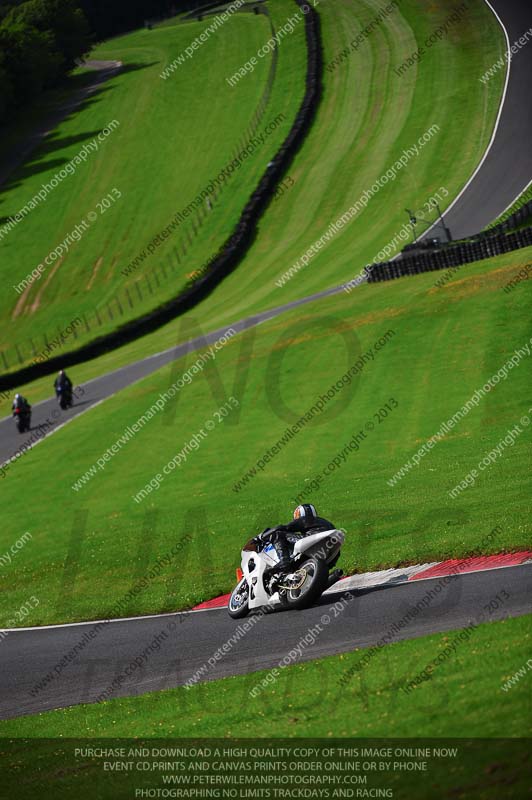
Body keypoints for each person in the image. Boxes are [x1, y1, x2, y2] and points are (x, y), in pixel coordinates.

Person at [257, 504, 336, 571]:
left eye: (297, 515)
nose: (296, 518)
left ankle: (284, 560)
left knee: (279, 534)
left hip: (313, 538)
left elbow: (285, 528)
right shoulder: (325, 522)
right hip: (331, 548)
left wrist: (264, 535)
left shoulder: (305, 519)